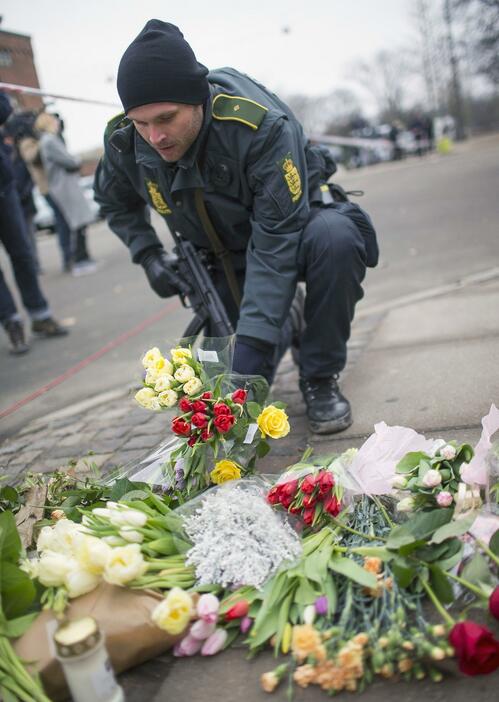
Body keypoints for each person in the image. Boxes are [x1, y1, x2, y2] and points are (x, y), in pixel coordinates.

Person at [94, 20, 378, 434]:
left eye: (166, 118)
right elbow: (112, 201)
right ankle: (287, 318)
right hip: (220, 260)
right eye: (141, 122)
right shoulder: (126, 140)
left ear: (198, 101)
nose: (154, 137)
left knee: (335, 240)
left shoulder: (258, 127)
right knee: (229, 393)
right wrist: (148, 253)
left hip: (291, 235)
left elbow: (275, 243)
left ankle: (319, 375)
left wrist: (253, 345)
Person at [0, 93, 68, 354]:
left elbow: (4, 109)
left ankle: (40, 314)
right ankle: (11, 321)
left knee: (23, 253)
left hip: (4, 188)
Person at [35, 112, 97, 276]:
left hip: (65, 185)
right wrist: (76, 160)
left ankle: (83, 258)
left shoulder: (49, 140)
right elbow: (69, 160)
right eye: (54, 121)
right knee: (76, 223)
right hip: (64, 187)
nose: (57, 124)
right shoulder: (49, 140)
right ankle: (80, 260)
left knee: (78, 223)